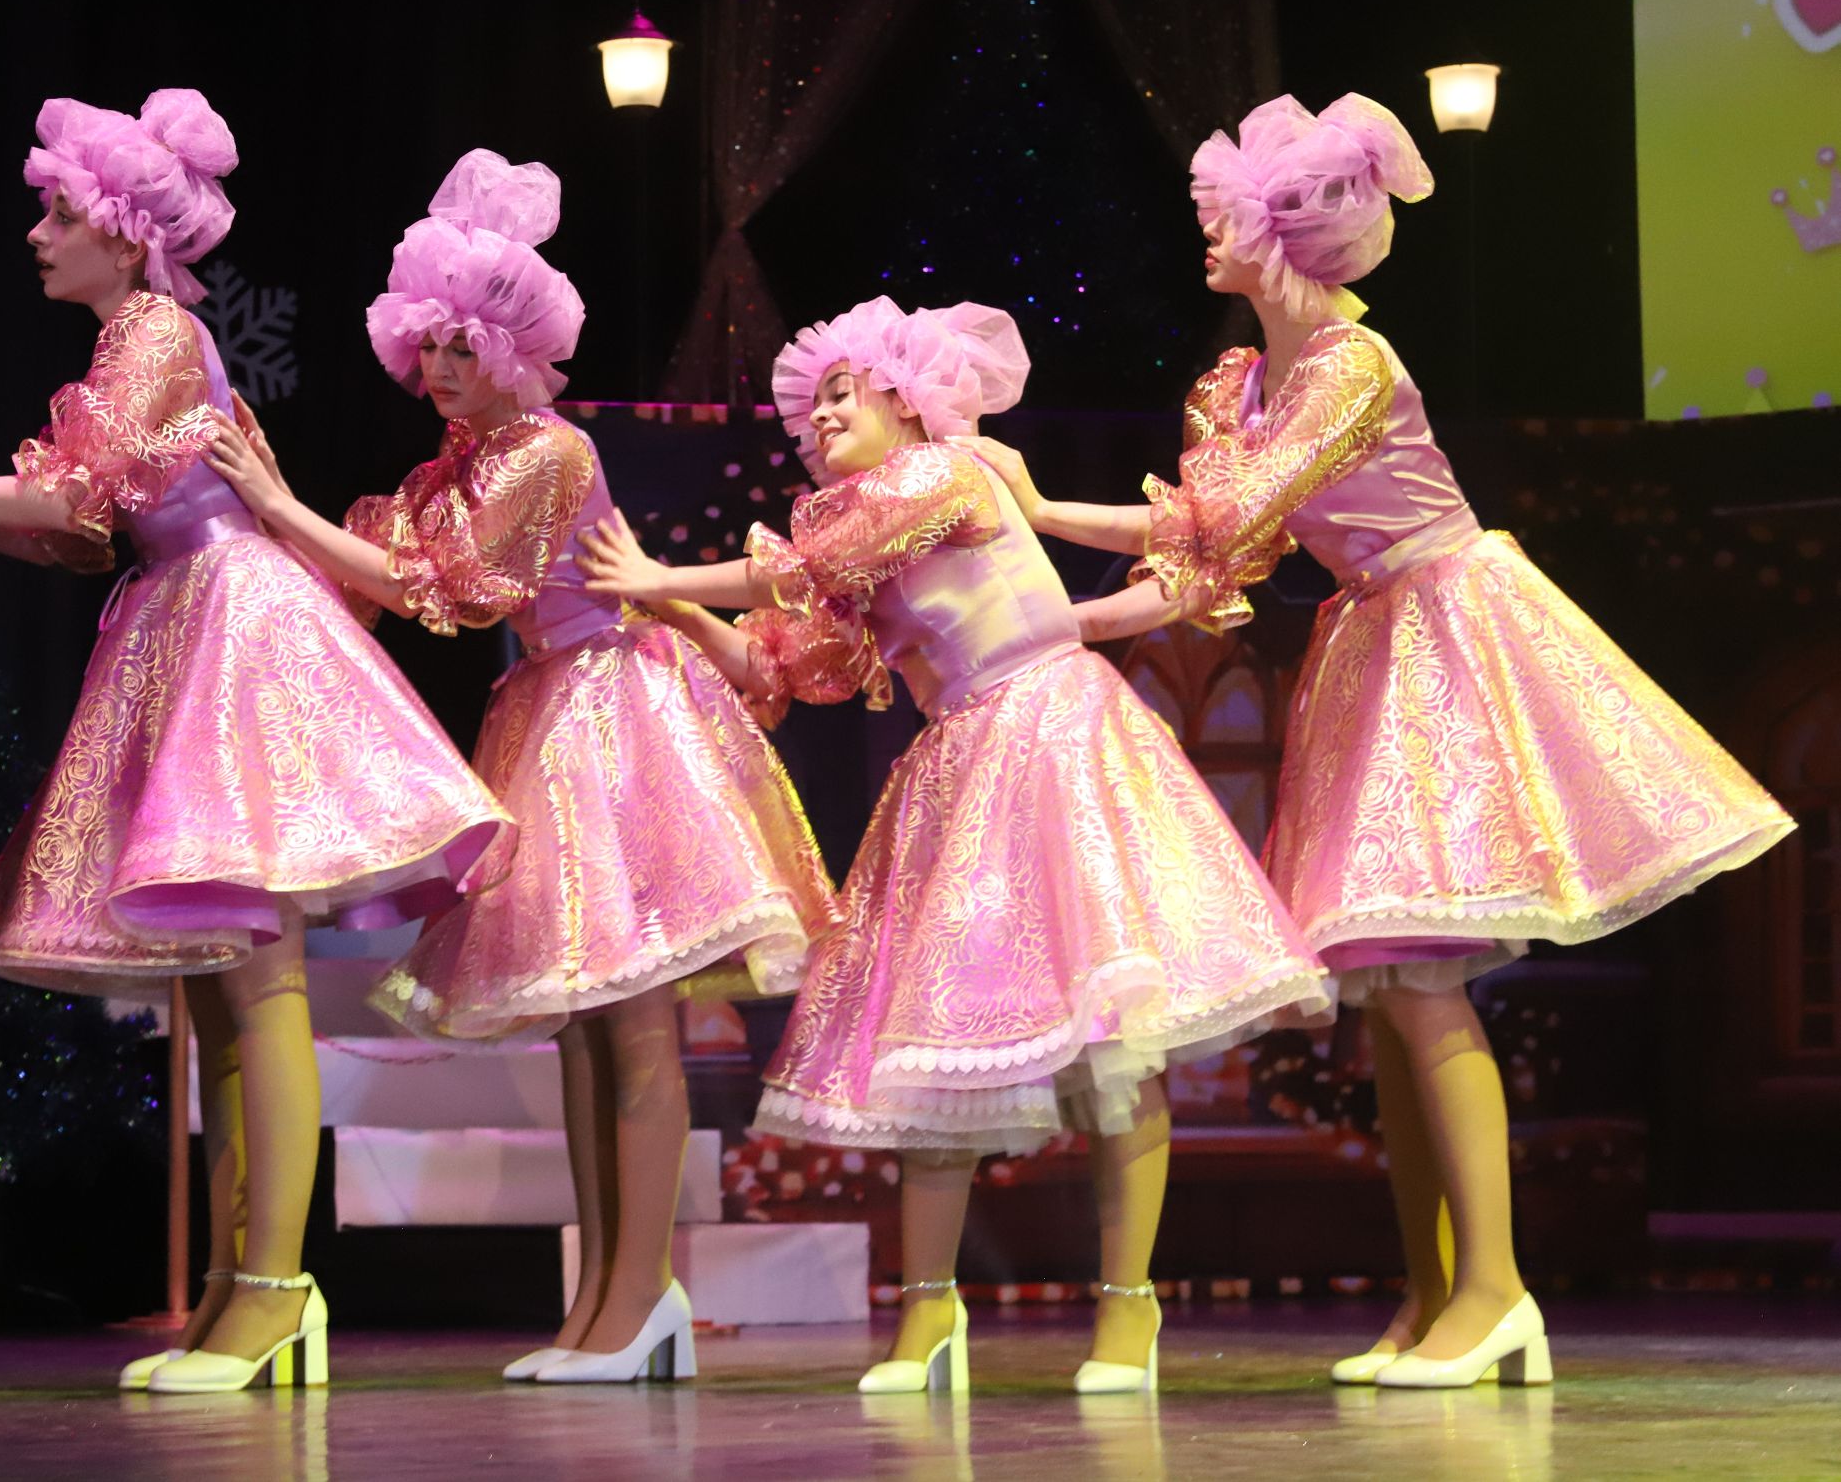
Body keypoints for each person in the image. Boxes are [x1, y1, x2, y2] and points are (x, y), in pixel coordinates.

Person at [967, 93, 1795, 1387]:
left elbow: (1227, 514)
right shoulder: (1235, 384)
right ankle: (1432, 1290)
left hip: (1445, 634)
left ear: (1281, 234)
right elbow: (1212, 565)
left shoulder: (1350, 366)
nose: (1205, 234)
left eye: (1225, 217)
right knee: (1387, 987)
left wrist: (1047, 507)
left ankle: (1495, 1290)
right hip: (1369, 640)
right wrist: (1047, 600)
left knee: (1420, 980)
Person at [0, 92, 507, 1394]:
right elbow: (76, 534)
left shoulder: (153, 332)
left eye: (58, 213)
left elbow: (68, 495)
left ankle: (276, 1289)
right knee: (216, 980)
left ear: (127, 234)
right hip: (173, 614)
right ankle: (237, 1285)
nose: (37, 233)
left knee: (256, 975)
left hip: (229, 627)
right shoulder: (126, 344)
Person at [579, 295, 1329, 1394]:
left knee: (1117, 1043)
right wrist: (672, 613)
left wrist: (661, 578)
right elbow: (784, 663)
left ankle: (1128, 1308)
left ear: (905, 397)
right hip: (959, 763)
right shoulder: (856, 532)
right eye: (812, 404)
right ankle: (928, 1311)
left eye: (843, 392)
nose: (820, 415)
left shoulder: (946, 473)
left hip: (1051, 737)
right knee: (932, 1051)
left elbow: (796, 571)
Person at [202, 149, 837, 1386]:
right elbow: (369, 579)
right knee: (584, 1033)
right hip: (550, 707)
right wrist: (255, 526)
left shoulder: (545, 452)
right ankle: (607, 1301)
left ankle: (638, 1298)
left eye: (463, 346)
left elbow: (446, 592)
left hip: (615, 713)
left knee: (634, 1023)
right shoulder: (457, 466)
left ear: (512, 348)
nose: (439, 367)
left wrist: (278, 503)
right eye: (428, 344)